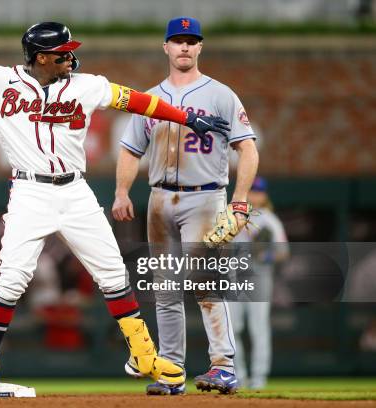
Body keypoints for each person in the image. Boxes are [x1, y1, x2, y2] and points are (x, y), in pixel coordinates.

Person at [0, 21, 230, 384]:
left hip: (75, 191)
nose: (71, 57)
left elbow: (139, 101)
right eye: (62, 53)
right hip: (31, 192)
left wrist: (186, 117)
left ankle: (144, 354)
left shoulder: (87, 85)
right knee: (11, 278)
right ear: (42, 57)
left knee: (113, 273)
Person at [112, 16, 259, 395]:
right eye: (177, 41)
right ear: (166, 47)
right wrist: (122, 192)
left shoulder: (221, 95)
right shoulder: (150, 98)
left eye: (191, 41)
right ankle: (172, 370)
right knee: (164, 289)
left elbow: (248, 149)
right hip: (160, 197)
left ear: (200, 47)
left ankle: (223, 366)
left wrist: (239, 200)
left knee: (205, 283)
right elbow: (130, 150)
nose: (184, 47)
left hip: (205, 196)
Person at [230, 177, 289, 390]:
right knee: (232, 328)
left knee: (258, 329)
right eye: (252, 190)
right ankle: (239, 376)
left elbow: (283, 252)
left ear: (264, 195)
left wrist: (266, 256)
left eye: (258, 191)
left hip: (259, 277)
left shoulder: (269, 220)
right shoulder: (232, 216)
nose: (255, 194)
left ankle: (259, 378)